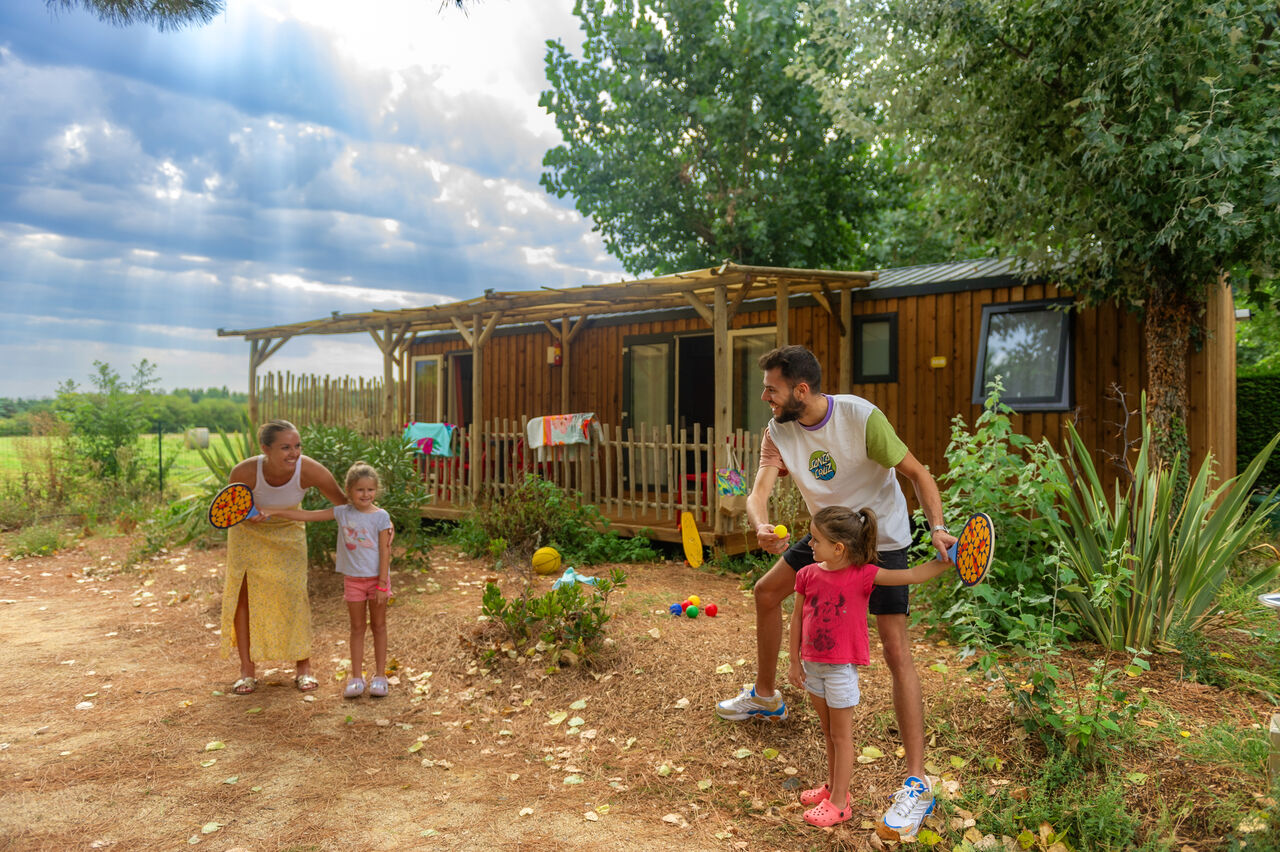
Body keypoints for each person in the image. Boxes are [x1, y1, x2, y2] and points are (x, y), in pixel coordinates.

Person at [715, 345, 956, 840]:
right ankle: (766, 696)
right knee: (766, 593)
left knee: (895, 650)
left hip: (880, 538)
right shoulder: (777, 429)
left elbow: (918, 474)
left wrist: (937, 528)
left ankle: (917, 782)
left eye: (772, 389)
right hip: (825, 536)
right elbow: (757, 492)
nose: (765, 397)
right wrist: (761, 526)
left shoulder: (861, 417)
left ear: (800, 390)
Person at [789, 506, 953, 829]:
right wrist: (794, 661)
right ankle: (834, 788)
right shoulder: (806, 575)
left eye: (816, 539)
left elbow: (911, 576)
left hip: (839, 671)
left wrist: (945, 562)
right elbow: (797, 618)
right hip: (813, 667)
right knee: (828, 732)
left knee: (841, 735)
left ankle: (839, 803)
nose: (809, 544)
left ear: (839, 548)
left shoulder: (862, 575)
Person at [221, 420, 346, 695]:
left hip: (289, 530)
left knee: (294, 593)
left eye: (297, 445)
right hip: (247, 535)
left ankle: (303, 669)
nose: (294, 453)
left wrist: (382, 522)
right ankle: (247, 671)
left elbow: (346, 504)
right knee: (244, 596)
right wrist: (249, 514)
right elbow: (233, 506)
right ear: (265, 448)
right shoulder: (244, 471)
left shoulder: (310, 469)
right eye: (285, 447)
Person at [262, 462, 395, 699]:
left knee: (379, 626)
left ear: (376, 490)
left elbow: (385, 552)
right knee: (356, 628)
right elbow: (305, 515)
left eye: (370, 490)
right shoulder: (342, 512)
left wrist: (383, 585)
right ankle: (356, 677)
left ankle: (380, 676)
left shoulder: (381, 517)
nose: (365, 494)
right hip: (353, 581)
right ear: (349, 491)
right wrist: (274, 511)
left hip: (377, 581)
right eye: (360, 490)